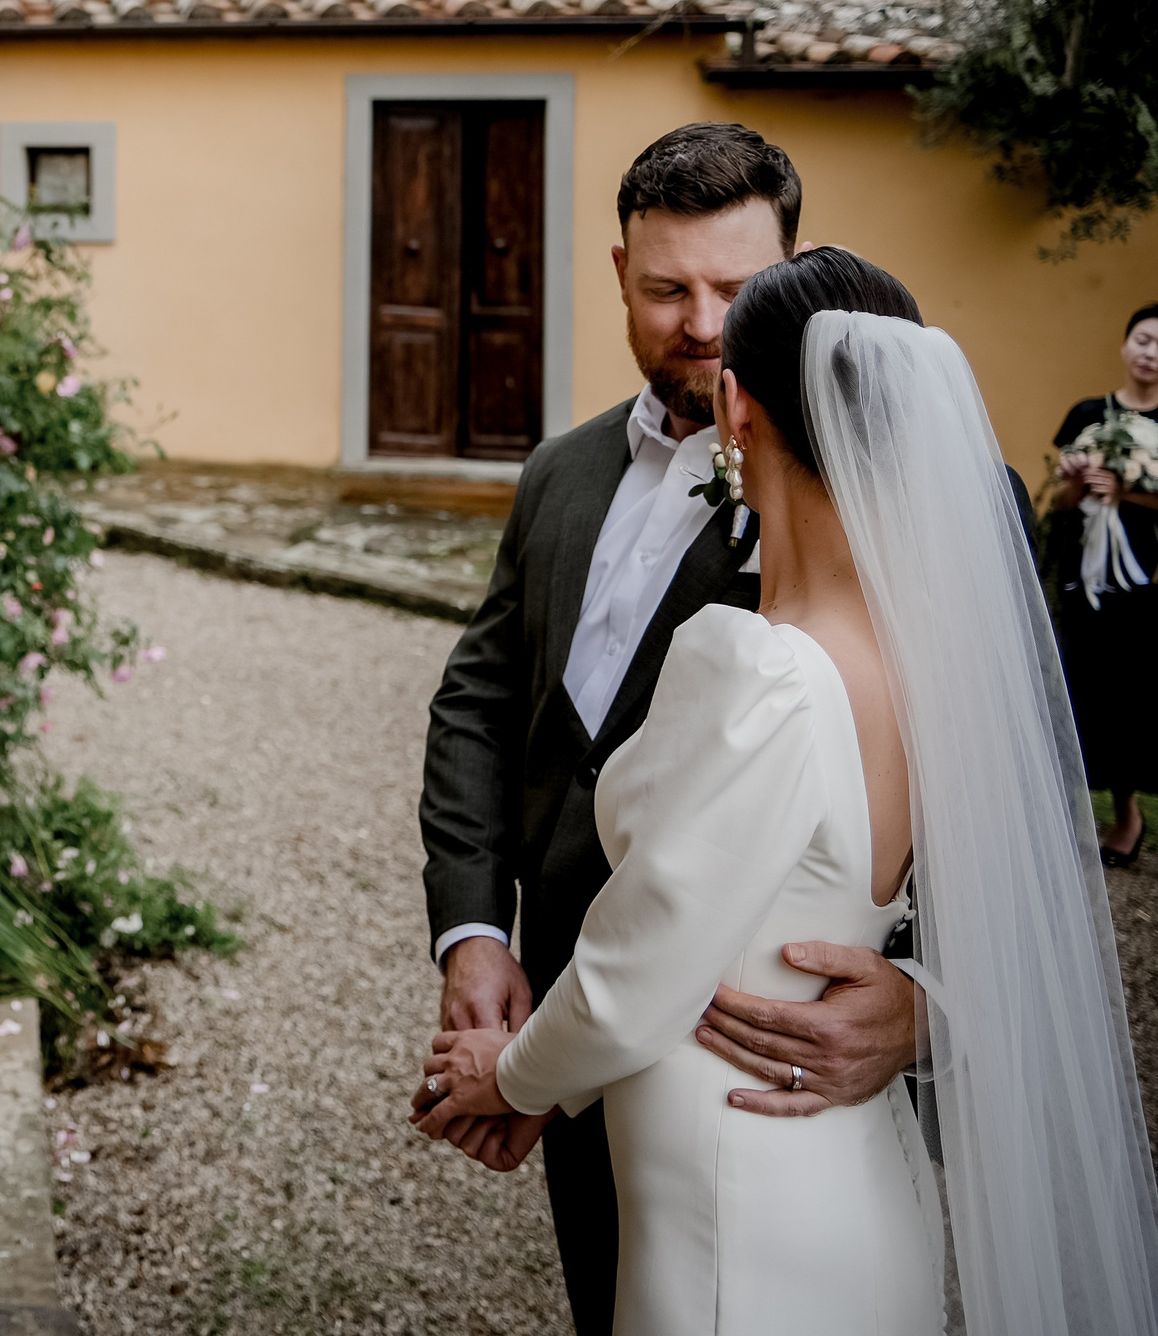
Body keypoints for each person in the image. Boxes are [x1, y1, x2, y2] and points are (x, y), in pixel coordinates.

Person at [414, 249, 1158, 1333]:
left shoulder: (761, 668)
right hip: (854, 1169)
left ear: (735, 407)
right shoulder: (941, 660)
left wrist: (509, 1073)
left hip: (734, 1197)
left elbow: (636, 966)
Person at [417, 125, 918, 1335]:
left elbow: (1007, 793)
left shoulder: (913, 494)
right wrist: (474, 932)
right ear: (617, 275)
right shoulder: (561, 471)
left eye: (736, 291)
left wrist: (923, 1007)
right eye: (665, 290)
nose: (701, 325)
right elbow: (481, 700)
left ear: (793, 274)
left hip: (759, 1068)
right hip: (561, 1014)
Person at [1046, 302, 1158, 867]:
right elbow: (1062, 504)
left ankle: (1128, 817)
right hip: (1083, 577)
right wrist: (1077, 483)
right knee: (1076, 688)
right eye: (1143, 339)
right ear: (1125, 344)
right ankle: (1071, 817)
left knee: (1129, 695)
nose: (1150, 352)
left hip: (1142, 582)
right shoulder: (1089, 414)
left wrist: (1127, 492)